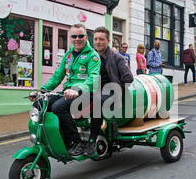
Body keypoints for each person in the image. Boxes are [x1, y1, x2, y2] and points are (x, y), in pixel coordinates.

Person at [39, 23, 101, 157]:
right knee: (39, 103)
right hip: (68, 92)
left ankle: (76, 141)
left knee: (58, 107)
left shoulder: (93, 56)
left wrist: (77, 90)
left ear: (86, 37)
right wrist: (43, 90)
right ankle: (57, 138)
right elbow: (58, 75)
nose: (77, 39)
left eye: (81, 36)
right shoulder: (68, 55)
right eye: (74, 36)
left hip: (85, 93)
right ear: (70, 38)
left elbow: (93, 79)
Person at [84, 27, 134, 156]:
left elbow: (129, 78)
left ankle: (91, 141)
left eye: (101, 39)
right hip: (94, 90)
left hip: (111, 92)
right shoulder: (90, 56)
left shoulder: (117, 57)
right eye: (95, 39)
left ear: (108, 41)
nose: (98, 42)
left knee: (96, 103)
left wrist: (117, 89)